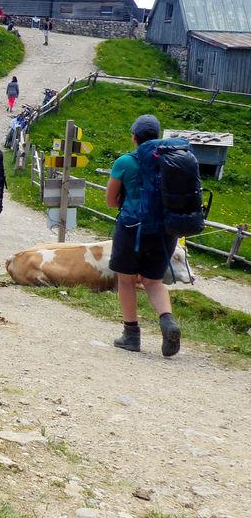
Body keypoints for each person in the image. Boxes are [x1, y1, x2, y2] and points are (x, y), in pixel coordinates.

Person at [106, 114, 182, 357]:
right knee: (153, 282)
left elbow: (110, 201)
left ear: (134, 137)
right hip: (164, 232)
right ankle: (168, 322)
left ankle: (131, 335)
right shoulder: (171, 161)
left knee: (126, 280)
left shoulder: (125, 162)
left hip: (132, 229)